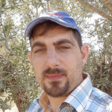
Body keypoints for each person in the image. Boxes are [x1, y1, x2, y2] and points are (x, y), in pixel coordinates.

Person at [25, 11, 112, 112]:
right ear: (31, 60)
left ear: (83, 55)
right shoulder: (34, 108)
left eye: (63, 47)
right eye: (39, 50)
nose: (51, 62)